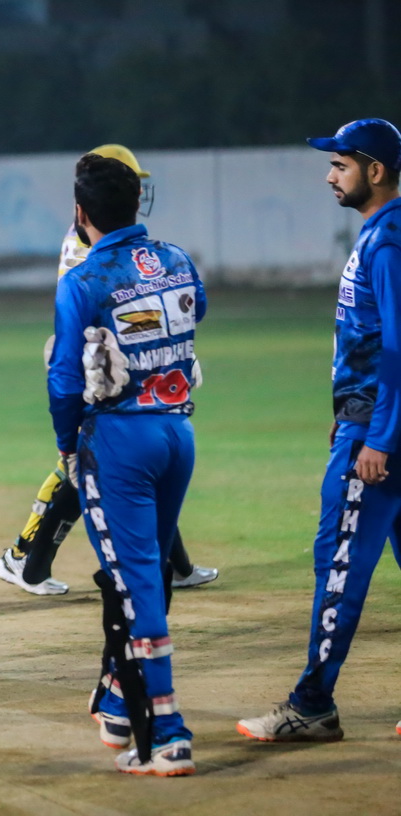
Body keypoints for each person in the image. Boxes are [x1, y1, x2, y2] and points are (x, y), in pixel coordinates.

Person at [237, 118, 401, 744]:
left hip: (378, 434)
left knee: (339, 565)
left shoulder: (387, 242)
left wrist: (378, 436)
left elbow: (397, 349)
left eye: (340, 164)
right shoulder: (385, 232)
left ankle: (312, 705)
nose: (330, 176)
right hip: (375, 419)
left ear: (375, 170)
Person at [0, 143, 218, 596]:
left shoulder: (103, 236)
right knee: (83, 466)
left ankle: (173, 565)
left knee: (129, 465)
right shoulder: (90, 242)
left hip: (104, 359)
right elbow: (110, 309)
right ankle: (22, 555)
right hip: (96, 364)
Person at [53, 153, 205, 776]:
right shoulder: (177, 259)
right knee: (145, 572)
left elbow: (65, 378)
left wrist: (67, 444)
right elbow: (196, 311)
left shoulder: (83, 279)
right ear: (137, 202)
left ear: (80, 212)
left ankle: (166, 732)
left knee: (135, 584)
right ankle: (119, 703)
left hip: (118, 442)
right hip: (178, 434)